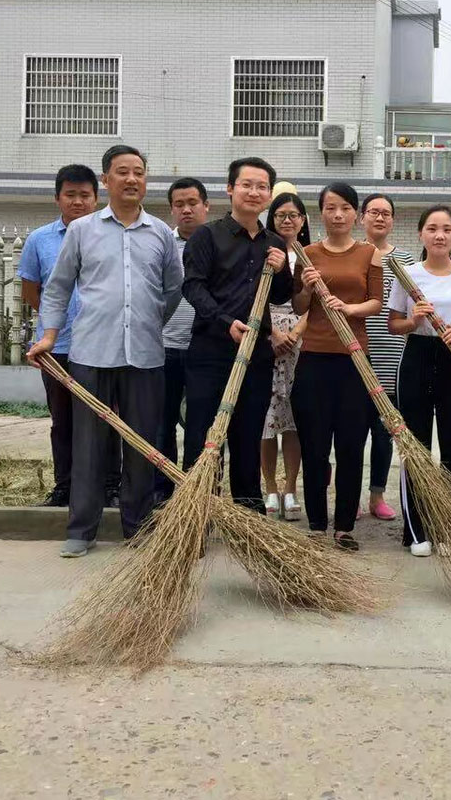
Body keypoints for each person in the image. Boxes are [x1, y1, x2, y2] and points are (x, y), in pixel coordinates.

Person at [27, 145, 183, 558]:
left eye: (139, 172)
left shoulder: (161, 234)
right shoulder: (83, 230)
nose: (132, 179)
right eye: (122, 172)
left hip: (146, 356)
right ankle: (82, 529)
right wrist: (48, 335)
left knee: (142, 444)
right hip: (91, 352)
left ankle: (138, 526)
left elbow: (173, 289)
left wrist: (150, 322)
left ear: (145, 180)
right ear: (106, 180)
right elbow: (57, 287)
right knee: (89, 444)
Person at [181, 158, 290, 512]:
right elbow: (193, 288)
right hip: (212, 352)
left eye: (262, 186)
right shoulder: (206, 236)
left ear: (269, 194)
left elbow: (281, 295)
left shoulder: (275, 242)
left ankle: (248, 516)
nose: (254, 192)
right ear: (230, 189)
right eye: (247, 184)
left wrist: (281, 269)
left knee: (248, 436)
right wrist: (225, 321)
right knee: (203, 436)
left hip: (256, 355)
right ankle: (198, 513)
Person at [387, 205, 451, 557]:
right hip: (416, 356)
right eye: (432, 228)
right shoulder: (408, 274)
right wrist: (413, 320)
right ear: (421, 234)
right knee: (414, 446)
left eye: (446, 228)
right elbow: (394, 325)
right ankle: (416, 530)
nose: (440, 235)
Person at [18, 164, 121, 509]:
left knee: (107, 417)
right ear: (58, 198)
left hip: (104, 346)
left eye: (85, 195)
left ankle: (110, 485)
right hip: (58, 346)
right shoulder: (39, 240)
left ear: (96, 197)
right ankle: (66, 485)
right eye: (70, 195)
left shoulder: (110, 235)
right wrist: (55, 322)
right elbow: (32, 292)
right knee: (63, 420)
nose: (78, 202)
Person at [292, 182, 383, 551]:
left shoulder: (369, 253)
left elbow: (376, 302)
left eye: (345, 208)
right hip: (313, 359)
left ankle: (344, 526)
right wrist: (308, 289)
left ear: (356, 214)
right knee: (314, 447)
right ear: (321, 213)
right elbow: (299, 307)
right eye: (331, 208)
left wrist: (350, 309)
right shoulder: (307, 253)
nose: (338, 215)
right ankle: (316, 524)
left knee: (350, 446)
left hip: (354, 361)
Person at [151, 176, 209, 504]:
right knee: (162, 424)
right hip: (164, 348)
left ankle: (199, 493)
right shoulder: (162, 244)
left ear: (206, 206)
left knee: (204, 428)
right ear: (172, 209)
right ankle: (162, 490)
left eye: (192, 204)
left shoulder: (218, 243)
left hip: (205, 350)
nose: (186, 210)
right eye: (179, 205)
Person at [361, 192, 413, 521]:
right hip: (355, 357)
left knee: (383, 433)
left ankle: (377, 495)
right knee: (350, 432)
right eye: (374, 212)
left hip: (394, 357)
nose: (380, 218)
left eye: (386, 213)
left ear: (392, 220)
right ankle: (350, 493)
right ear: (362, 217)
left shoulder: (406, 261)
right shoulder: (352, 254)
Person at [260, 183, 310, 520]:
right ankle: (270, 489)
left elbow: (314, 305)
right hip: (266, 337)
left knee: (294, 422)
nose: (287, 220)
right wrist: (273, 332)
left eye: (293, 215)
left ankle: (292, 488)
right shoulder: (262, 250)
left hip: (301, 342)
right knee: (265, 421)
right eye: (280, 215)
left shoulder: (310, 254)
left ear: (303, 220)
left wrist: (294, 332)